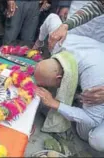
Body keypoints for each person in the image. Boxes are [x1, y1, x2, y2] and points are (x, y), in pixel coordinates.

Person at [33, 14, 104, 151]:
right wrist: (38, 43)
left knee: (91, 137)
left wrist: (55, 104)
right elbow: (52, 17)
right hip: (97, 57)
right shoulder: (57, 42)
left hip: (99, 76)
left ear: (60, 78)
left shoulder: (93, 82)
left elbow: (91, 119)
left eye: (48, 86)